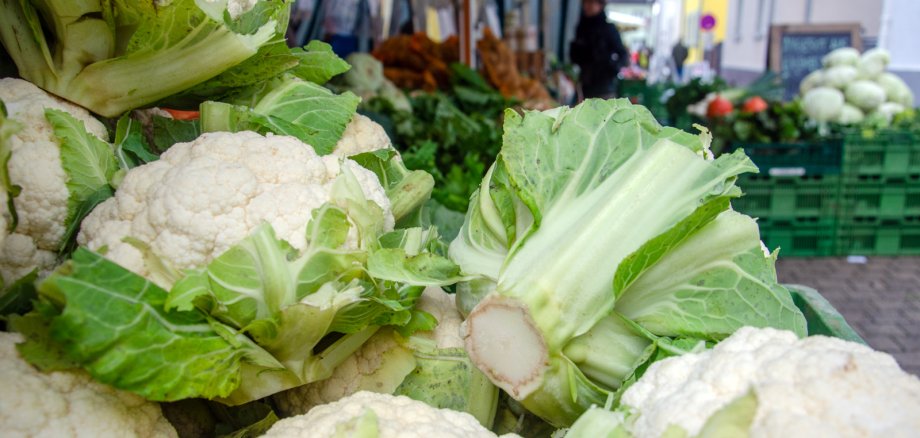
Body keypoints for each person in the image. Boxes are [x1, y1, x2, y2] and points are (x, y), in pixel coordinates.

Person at [569, 0, 630, 99]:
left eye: (591, 3)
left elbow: (623, 55)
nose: (587, 6)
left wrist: (611, 68)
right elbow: (575, 56)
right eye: (585, 3)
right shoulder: (581, 28)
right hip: (585, 85)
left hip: (604, 87)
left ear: (600, 5)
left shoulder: (608, 28)